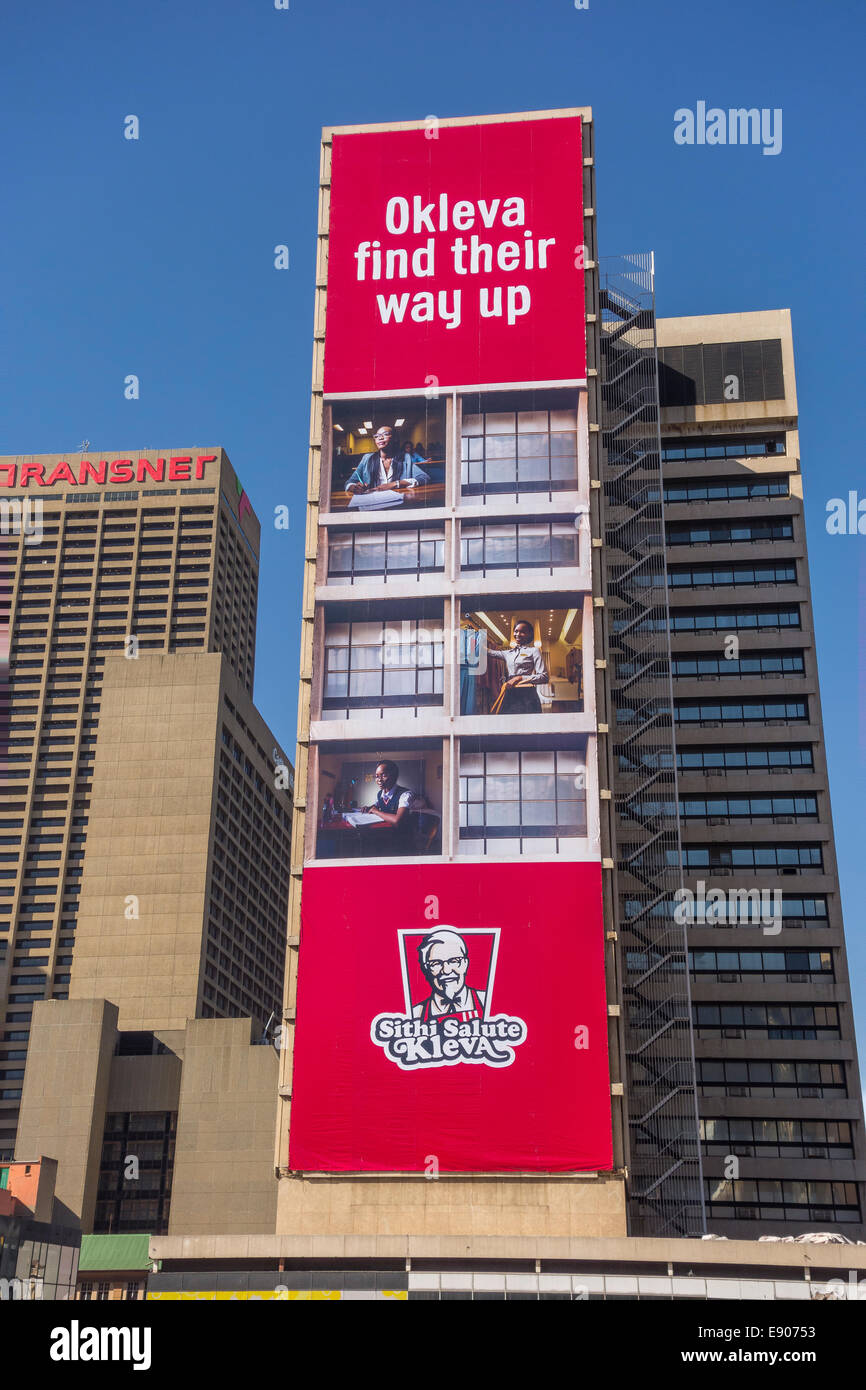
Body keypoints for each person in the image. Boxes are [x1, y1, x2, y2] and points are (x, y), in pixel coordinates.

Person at [412, 928, 486, 1023]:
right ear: (426, 969)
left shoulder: (486, 1002)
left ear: (465, 963)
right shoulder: (415, 1014)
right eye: (436, 963)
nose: (446, 971)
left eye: (454, 961)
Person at [344, 425, 430, 494]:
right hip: (373, 502)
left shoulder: (405, 458)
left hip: (398, 502)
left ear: (395, 439)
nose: (380, 438)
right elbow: (350, 482)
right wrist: (353, 487)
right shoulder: (367, 458)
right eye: (377, 436)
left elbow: (424, 477)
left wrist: (395, 484)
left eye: (385, 434)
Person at [487, 619, 548, 714]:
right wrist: (475, 639)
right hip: (510, 693)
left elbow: (544, 677)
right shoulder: (508, 653)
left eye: (522, 632)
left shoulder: (534, 651)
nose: (518, 634)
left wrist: (519, 678)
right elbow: (489, 652)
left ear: (529, 634)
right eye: (516, 631)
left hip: (527, 694)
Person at [362, 761, 418, 845]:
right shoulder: (380, 793)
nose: (379, 780)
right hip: (386, 835)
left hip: (401, 842)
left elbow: (397, 821)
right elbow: (377, 805)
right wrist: (369, 808)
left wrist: (376, 811)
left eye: (384, 775)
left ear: (394, 776)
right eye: (377, 776)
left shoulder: (405, 794)